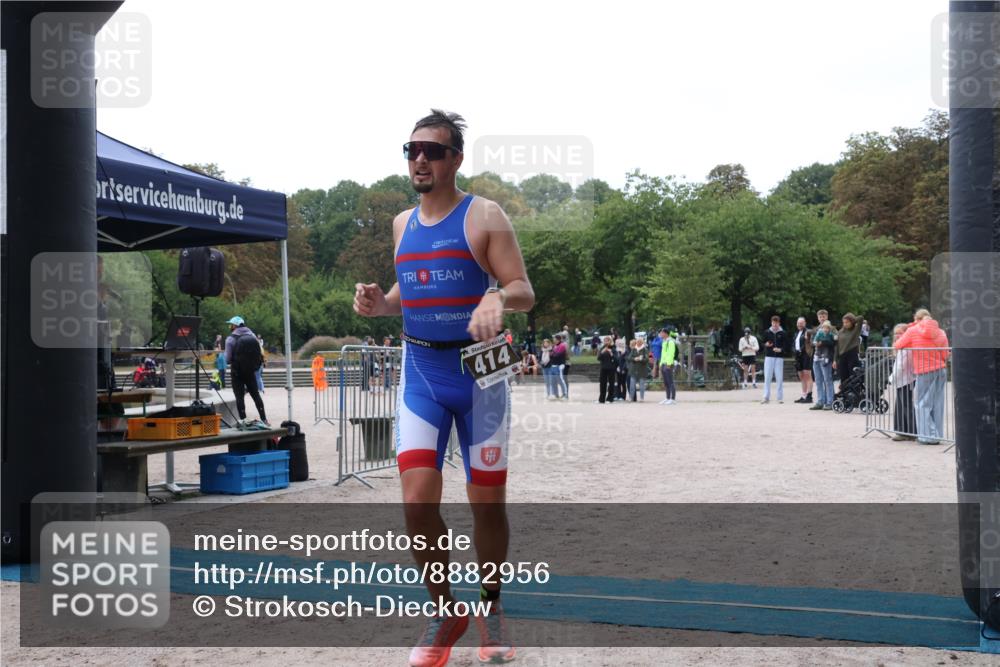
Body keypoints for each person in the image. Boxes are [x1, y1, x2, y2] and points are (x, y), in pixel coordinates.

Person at [352, 109, 534, 666]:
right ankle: (445, 611)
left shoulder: (484, 215)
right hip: (423, 372)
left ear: (455, 158)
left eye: (431, 150)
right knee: (415, 501)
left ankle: (492, 605)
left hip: (481, 376)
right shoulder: (402, 224)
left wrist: (497, 297)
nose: (420, 160)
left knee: (486, 505)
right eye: (411, 151)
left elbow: (523, 287)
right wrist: (380, 305)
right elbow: (415, 288)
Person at [893, 309, 950, 444]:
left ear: (916, 319)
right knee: (937, 404)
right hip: (940, 369)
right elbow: (945, 354)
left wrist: (911, 328)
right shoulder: (941, 332)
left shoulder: (913, 331)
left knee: (921, 404)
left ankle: (927, 436)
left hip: (924, 370)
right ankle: (937, 434)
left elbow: (898, 344)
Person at [224, 316, 267, 425]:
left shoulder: (230, 339)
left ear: (234, 326)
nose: (230, 326)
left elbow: (227, 359)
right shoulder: (252, 336)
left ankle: (243, 421)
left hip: (237, 372)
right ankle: (264, 419)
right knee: (255, 395)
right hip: (251, 371)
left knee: (239, 397)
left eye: (231, 324)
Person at [888, 323, 917, 440]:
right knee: (900, 406)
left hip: (906, 380)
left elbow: (901, 367)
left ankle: (911, 432)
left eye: (900, 333)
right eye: (895, 333)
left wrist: (891, 378)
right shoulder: (902, 347)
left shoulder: (906, 348)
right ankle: (902, 431)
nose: (897, 335)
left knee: (906, 406)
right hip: (903, 381)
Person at [810, 310, 838, 410]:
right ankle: (820, 401)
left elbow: (835, 343)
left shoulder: (832, 329)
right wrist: (815, 343)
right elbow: (811, 342)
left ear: (827, 316)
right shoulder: (816, 329)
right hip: (816, 357)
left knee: (828, 380)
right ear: (818, 318)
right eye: (820, 316)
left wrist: (823, 342)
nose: (822, 318)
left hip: (827, 357)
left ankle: (830, 402)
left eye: (824, 316)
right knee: (818, 380)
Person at [761, 315, 787, 404]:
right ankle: (766, 397)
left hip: (779, 358)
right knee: (767, 377)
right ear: (771, 323)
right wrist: (766, 345)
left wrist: (781, 350)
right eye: (773, 322)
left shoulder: (783, 333)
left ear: (779, 323)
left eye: (776, 323)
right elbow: (762, 343)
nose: (775, 324)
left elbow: (786, 346)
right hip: (769, 356)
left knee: (779, 377)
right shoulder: (767, 332)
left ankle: (780, 398)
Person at [835, 313, 863, 385]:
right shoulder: (840, 331)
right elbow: (837, 346)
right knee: (843, 376)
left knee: (853, 375)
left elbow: (860, 318)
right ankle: (845, 395)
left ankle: (854, 394)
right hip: (842, 355)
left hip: (852, 353)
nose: (845, 324)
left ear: (852, 322)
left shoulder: (855, 329)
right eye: (844, 322)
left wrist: (852, 320)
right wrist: (835, 359)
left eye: (847, 322)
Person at [792, 316, 813, 404]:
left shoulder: (807, 332)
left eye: (801, 323)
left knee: (807, 374)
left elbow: (809, 343)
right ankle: (804, 395)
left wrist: (801, 349)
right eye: (798, 323)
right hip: (798, 356)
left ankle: (809, 396)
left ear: (804, 323)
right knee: (801, 375)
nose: (799, 325)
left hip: (806, 355)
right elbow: (793, 344)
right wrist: (794, 350)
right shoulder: (797, 333)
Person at [659, 330, 679, 404]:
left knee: (670, 381)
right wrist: (661, 363)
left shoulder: (670, 342)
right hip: (663, 363)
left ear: (665, 333)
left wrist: (669, 363)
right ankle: (667, 397)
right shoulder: (664, 342)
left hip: (668, 364)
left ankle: (673, 399)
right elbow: (663, 354)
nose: (660, 334)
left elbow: (671, 353)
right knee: (666, 382)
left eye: (661, 333)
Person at [596, 336, 616, 404]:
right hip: (603, 368)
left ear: (610, 341)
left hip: (611, 368)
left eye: (607, 341)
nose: (606, 342)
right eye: (605, 341)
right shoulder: (602, 348)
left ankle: (610, 399)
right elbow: (598, 358)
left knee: (611, 383)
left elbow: (616, 359)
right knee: (602, 383)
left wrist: (611, 353)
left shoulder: (613, 348)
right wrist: (602, 352)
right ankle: (601, 399)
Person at [551, 333, 569, 400]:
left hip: (560, 365)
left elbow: (557, 355)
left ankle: (565, 394)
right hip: (554, 365)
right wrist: (553, 354)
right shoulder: (554, 346)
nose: (554, 340)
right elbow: (551, 355)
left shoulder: (562, 346)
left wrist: (553, 354)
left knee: (561, 380)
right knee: (553, 381)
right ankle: (555, 394)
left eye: (554, 339)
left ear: (558, 339)